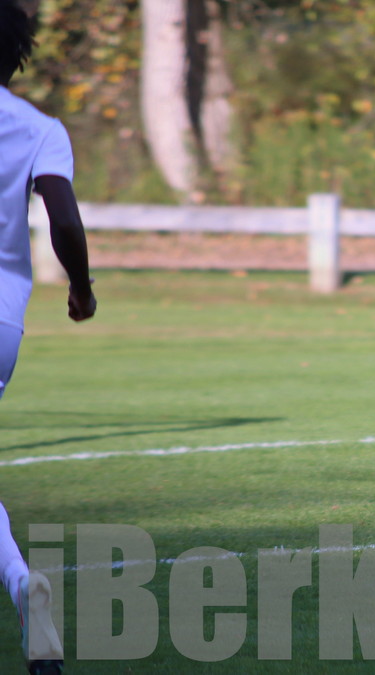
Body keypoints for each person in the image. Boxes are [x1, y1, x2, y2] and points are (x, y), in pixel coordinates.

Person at [2, 1, 98, 672]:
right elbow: (63, 217)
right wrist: (81, 288)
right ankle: (21, 587)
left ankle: (19, 582)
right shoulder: (39, 129)